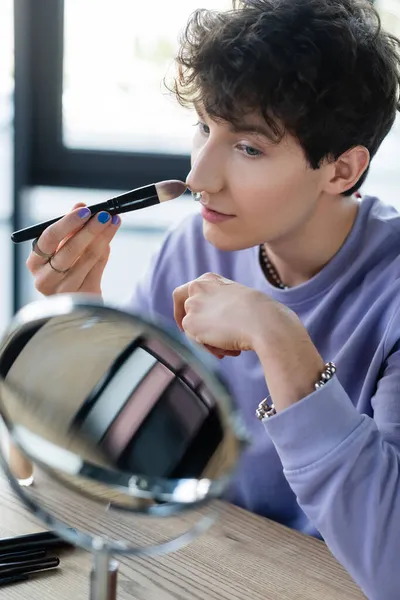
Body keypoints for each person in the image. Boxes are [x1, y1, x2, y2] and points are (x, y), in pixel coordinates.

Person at [27, 0, 400, 597]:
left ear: (342, 169)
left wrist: (280, 340)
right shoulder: (190, 248)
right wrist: (86, 328)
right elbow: (122, 465)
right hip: (208, 568)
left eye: (248, 148)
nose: (199, 176)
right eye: (204, 127)